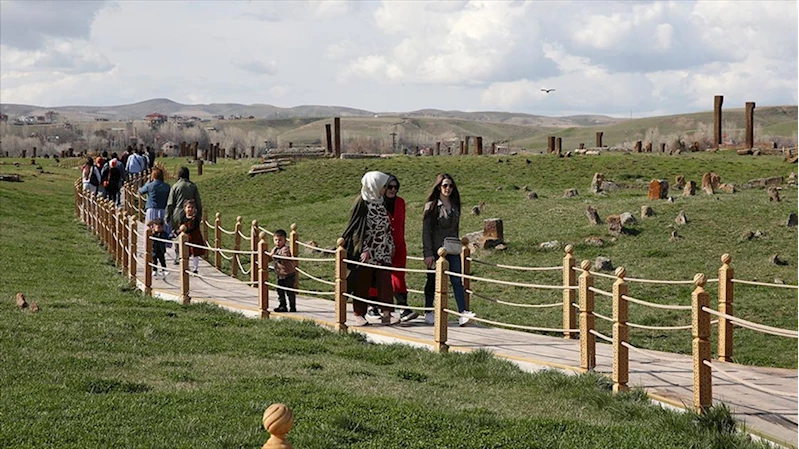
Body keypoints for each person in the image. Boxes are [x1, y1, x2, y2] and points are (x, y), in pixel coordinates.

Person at [341, 171, 397, 326]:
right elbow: (356, 229)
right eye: (384, 186)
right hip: (367, 253)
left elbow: (386, 227)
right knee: (362, 283)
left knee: (385, 282)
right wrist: (363, 248)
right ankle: (359, 314)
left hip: (382, 251)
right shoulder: (362, 204)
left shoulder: (381, 203)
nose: (385, 189)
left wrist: (391, 245)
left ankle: (387, 313)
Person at [422, 173, 475, 326]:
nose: (448, 188)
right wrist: (428, 253)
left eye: (451, 186)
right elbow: (426, 232)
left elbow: (455, 228)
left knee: (457, 280)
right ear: (439, 187)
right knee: (432, 280)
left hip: (452, 248)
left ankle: (462, 312)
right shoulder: (431, 206)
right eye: (445, 185)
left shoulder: (455, 205)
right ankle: (428, 311)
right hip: (436, 250)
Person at [367, 174, 418, 322]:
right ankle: (373, 306)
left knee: (399, 274)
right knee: (378, 275)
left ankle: (403, 307)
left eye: (396, 187)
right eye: (389, 187)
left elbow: (401, 224)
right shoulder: (377, 203)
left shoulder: (401, 202)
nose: (393, 190)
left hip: (399, 244)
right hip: (381, 245)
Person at [166, 167, 203, 264]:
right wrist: (199, 215)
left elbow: (170, 203)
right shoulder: (192, 186)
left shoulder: (175, 186)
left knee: (178, 234)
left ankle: (178, 255)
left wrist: (167, 215)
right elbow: (198, 202)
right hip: (190, 213)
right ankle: (189, 254)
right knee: (190, 235)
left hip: (177, 213)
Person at [270, 229, 297, 313]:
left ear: (285, 240)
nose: (278, 242)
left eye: (280, 240)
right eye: (276, 240)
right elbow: (270, 256)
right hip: (280, 275)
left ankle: (292, 307)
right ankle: (282, 306)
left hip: (288, 274)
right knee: (280, 291)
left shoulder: (285, 249)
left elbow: (284, 258)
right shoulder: (275, 249)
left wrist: (275, 256)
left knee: (290, 292)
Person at [139, 167, 171, 235]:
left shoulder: (150, 185)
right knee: (163, 230)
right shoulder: (167, 186)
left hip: (152, 209)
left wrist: (147, 182)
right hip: (163, 209)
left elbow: (141, 191)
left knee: (150, 229)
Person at [176, 199, 205, 274]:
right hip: (185, 238)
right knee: (186, 252)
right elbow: (180, 224)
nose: (190, 209)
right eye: (188, 207)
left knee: (195, 253)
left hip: (194, 237)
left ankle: (195, 269)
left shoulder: (195, 218)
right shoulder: (182, 217)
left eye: (192, 207)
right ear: (185, 208)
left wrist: (185, 230)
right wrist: (179, 230)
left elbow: (193, 228)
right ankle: (186, 267)